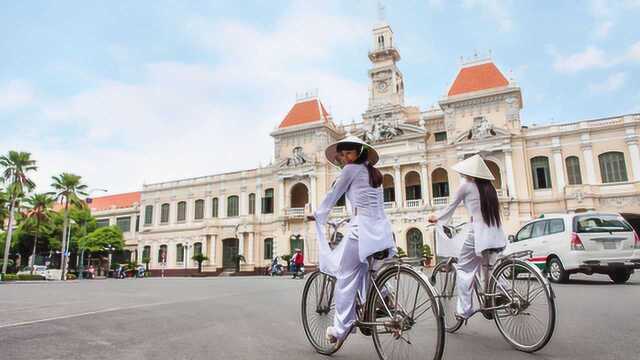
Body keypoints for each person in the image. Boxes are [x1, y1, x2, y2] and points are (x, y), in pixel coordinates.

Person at [309, 135, 396, 345]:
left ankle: (339, 329)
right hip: (382, 232)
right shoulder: (374, 173)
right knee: (365, 270)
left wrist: (319, 214)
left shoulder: (350, 170)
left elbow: (333, 193)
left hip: (362, 231)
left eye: (349, 153)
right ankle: (384, 299)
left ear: (360, 152)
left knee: (346, 275)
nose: (346, 157)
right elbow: (364, 203)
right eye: (343, 154)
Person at [427, 154, 506, 321]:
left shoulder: (466, 186)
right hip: (496, 233)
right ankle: (499, 295)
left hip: (477, 233)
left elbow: (451, 206)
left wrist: (437, 218)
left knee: (463, 268)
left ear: (470, 173)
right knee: (490, 269)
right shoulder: (489, 189)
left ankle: (464, 310)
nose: (463, 176)